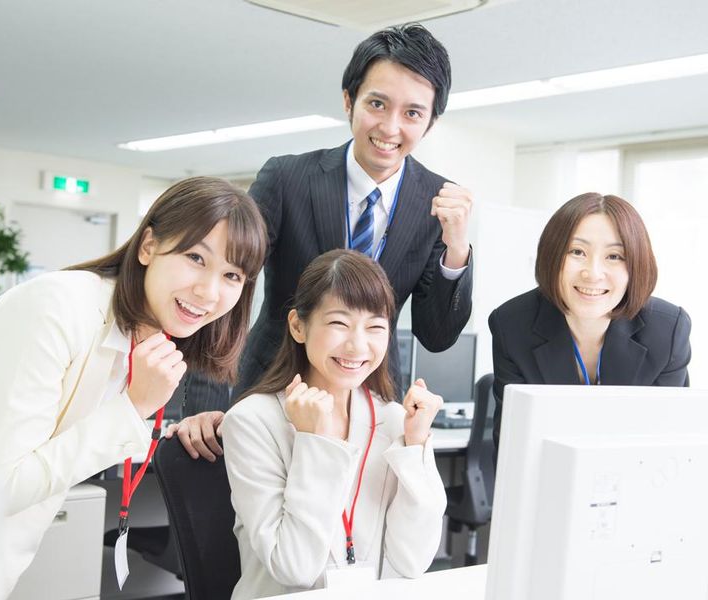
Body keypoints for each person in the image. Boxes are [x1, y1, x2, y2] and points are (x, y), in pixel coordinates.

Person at [0, 176, 267, 596]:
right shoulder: (58, 307)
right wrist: (133, 408)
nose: (208, 291)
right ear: (148, 246)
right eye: (195, 257)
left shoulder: (146, 339)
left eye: (232, 275)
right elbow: (6, 483)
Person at [176, 22, 474, 462]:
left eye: (412, 113)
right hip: (271, 389)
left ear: (430, 122)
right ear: (349, 100)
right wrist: (205, 401)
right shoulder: (287, 179)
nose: (390, 127)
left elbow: (436, 335)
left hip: (372, 402)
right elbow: (224, 285)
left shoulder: (437, 201)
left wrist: (457, 250)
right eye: (377, 104)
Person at [222, 249, 447, 600]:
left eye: (375, 327)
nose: (358, 345)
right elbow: (294, 568)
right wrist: (313, 441)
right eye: (339, 323)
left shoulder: (392, 420)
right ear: (298, 326)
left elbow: (412, 561)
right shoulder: (252, 421)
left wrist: (415, 446)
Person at [489, 193, 691, 448]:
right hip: (551, 470)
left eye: (614, 256)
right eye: (577, 251)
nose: (593, 274)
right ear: (551, 255)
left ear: (636, 266)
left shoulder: (667, 330)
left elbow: (669, 446)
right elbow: (512, 449)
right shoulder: (512, 325)